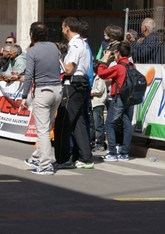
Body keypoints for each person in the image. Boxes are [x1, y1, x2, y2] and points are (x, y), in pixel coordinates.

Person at [21, 22, 62, 175]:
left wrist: (24, 96)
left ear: (31, 35)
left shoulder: (32, 51)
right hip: (57, 90)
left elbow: (28, 76)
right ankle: (37, 156)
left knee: (43, 130)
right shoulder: (53, 46)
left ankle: (45, 165)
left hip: (43, 91)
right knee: (48, 125)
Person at [54, 17, 93, 169]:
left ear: (67, 28)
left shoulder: (75, 44)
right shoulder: (81, 43)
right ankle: (85, 157)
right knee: (78, 122)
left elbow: (69, 69)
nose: (62, 30)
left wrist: (58, 60)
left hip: (73, 85)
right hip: (78, 86)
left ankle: (63, 159)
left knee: (63, 122)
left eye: (62, 27)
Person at [97, 42, 134, 161]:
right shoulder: (132, 66)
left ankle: (112, 152)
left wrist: (105, 60)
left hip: (119, 98)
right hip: (130, 98)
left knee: (109, 124)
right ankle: (124, 153)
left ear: (118, 53)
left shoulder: (119, 67)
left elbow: (101, 73)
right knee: (127, 124)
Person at [90, 60, 107, 152]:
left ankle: (100, 143)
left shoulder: (100, 77)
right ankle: (92, 141)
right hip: (93, 103)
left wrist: (91, 93)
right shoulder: (93, 77)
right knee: (92, 124)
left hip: (98, 103)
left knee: (98, 124)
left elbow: (99, 90)